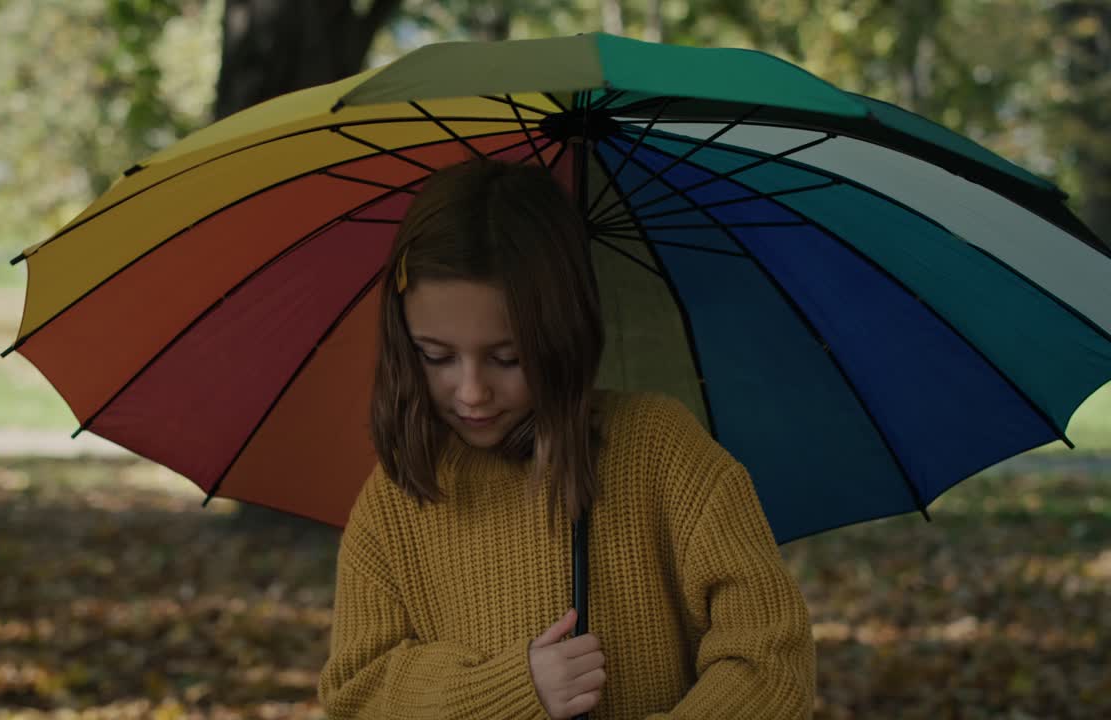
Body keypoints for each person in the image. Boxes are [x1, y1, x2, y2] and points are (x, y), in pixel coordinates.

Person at [316, 157, 816, 719]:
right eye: (436, 356)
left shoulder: (662, 452)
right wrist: (509, 690)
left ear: (562, 335)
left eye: (508, 358)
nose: (472, 392)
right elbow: (358, 691)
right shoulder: (396, 502)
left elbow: (770, 660)